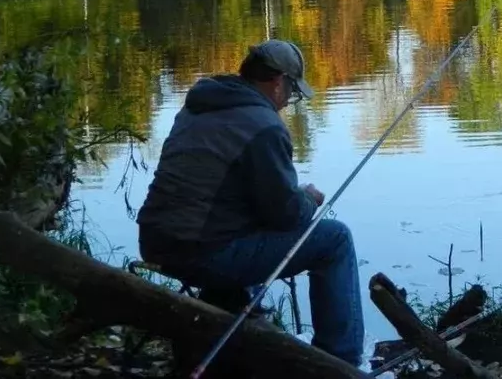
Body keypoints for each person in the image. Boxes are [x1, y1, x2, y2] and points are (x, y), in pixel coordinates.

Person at [136, 39, 364, 367]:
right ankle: (340, 361)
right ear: (277, 82)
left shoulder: (199, 105)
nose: (288, 102)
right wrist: (308, 199)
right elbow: (287, 216)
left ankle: (231, 321)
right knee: (335, 239)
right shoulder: (264, 124)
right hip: (201, 254)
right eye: (293, 92)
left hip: (156, 242)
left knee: (246, 219)